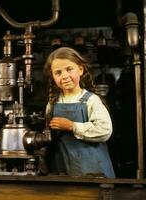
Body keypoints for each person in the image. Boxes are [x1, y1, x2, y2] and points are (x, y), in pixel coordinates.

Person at [44, 47, 115, 178]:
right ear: (52, 76)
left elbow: (105, 130)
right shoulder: (52, 104)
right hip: (63, 169)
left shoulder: (91, 100)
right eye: (58, 73)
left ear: (81, 70)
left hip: (93, 170)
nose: (64, 76)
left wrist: (72, 126)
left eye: (69, 69)